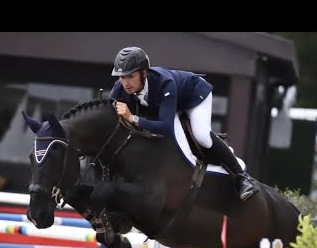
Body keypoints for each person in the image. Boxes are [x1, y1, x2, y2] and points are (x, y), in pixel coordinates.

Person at [109, 46, 259, 202]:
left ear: (144, 73)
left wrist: (132, 118)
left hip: (193, 96)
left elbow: (165, 128)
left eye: (130, 76)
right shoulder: (120, 87)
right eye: (122, 77)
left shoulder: (164, 83)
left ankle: (241, 177)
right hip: (169, 105)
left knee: (202, 136)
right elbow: (108, 112)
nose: (125, 83)